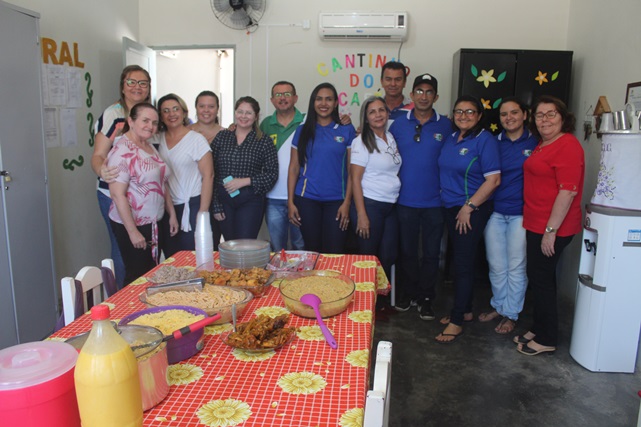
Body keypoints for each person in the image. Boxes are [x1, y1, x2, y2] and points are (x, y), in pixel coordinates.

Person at [515, 96, 584, 356]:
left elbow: (567, 192)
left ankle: (547, 338)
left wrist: (550, 233)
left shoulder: (567, 145)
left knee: (542, 280)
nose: (544, 119)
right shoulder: (544, 144)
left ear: (563, 117)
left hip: (553, 227)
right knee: (538, 277)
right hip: (536, 222)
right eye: (540, 115)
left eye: (551, 114)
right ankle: (539, 326)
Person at [436, 95, 501, 343]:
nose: (464, 116)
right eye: (459, 112)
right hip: (451, 207)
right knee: (461, 261)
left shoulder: (485, 140)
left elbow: (493, 180)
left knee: (462, 265)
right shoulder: (453, 138)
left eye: (470, 112)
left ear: (479, 116)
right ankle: (465, 310)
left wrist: (469, 206)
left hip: (470, 209)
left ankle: (456, 321)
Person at [389, 73, 452, 320]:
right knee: (407, 251)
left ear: (436, 97)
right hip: (405, 201)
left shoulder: (446, 125)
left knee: (431, 253)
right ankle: (409, 293)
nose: (424, 96)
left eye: (429, 92)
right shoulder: (398, 123)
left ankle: (426, 297)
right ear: (412, 94)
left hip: (435, 202)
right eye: (419, 91)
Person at [479, 97, 538, 334]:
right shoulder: (493, 143)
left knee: (516, 266)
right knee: (496, 265)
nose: (509, 118)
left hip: (521, 215)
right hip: (495, 212)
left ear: (525, 115)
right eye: (504, 114)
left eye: (514, 113)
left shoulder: (536, 143)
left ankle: (511, 313)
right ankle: (499, 305)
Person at [92, 65, 151, 288]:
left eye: (142, 83)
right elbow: (98, 155)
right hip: (114, 195)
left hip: (143, 198)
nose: (137, 87)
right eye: (131, 82)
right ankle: (119, 302)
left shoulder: (150, 115)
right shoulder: (114, 115)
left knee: (142, 248)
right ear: (123, 86)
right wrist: (101, 170)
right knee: (122, 246)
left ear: (148, 88)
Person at [106, 103, 178, 285]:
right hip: (134, 224)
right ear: (130, 121)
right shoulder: (122, 151)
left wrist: (171, 214)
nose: (150, 126)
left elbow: (162, 181)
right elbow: (117, 195)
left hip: (154, 222)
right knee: (137, 277)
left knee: (151, 273)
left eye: (154, 122)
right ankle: (128, 312)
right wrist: (133, 232)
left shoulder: (147, 145)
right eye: (145, 121)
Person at [288, 82, 356, 254]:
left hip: (337, 201)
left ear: (335, 103)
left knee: (335, 251)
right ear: (313, 102)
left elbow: (351, 171)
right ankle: (314, 282)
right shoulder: (302, 130)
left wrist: (347, 202)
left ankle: (333, 282)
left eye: (328, 99)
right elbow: (294, 167)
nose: (323, 103)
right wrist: (290, 202)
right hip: (307, 199)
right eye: (319, 99)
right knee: (312, 252)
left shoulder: (346, 129)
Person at [154, 93, 214, 257]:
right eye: (166, 111)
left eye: (175, 109)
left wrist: (202, 213)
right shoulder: (157, 140)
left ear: (184, 112)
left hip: (193, 205)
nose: (171, 114)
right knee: (172, 258)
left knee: (193, 258)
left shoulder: (196, 140)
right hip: (167, 207)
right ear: (160, 116)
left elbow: (208, 176)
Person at [211, 96, 278, 240]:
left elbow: (272, 175)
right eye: (240, 111)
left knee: (245, 245)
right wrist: (216, 204)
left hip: (251, 200)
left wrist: (245, 181)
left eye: (248, 113)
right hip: (224, 200)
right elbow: (212, 173)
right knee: (230, 244)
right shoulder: (222, 137)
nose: (243, 116)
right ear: (235, 113)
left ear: (256, 116)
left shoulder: (264, 141)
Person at [350, 96, 401, 279]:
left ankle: (379, 301)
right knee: (368, 259)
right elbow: (355, 179)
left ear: (387, 113)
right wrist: (361, 215)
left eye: (381, 110)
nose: (378, 115)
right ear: (365, 118)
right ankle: (366, 304)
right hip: (370, 205)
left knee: (389, 256)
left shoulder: (390, 137)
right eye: (372, 112)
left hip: (390, 205)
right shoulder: (361, 141)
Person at [260, 81, 306, 251]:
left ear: (295, 98)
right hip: (273, 197)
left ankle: (302, 278)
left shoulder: (306, 121)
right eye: (278, 95)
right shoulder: (265, 124)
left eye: (287, 94)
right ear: (272, 100)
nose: (283, 98)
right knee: (277, 248)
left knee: (300, 246)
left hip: (300, 195)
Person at [189, 90, 224, 250]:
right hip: (191, 195)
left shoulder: (227, 134)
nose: (206, 110)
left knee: (212, 243)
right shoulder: (185, 133)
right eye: (202, 106)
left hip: (218, 197)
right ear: (196, 108)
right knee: (190, 244)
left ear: (217, 109)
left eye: (211, 106)